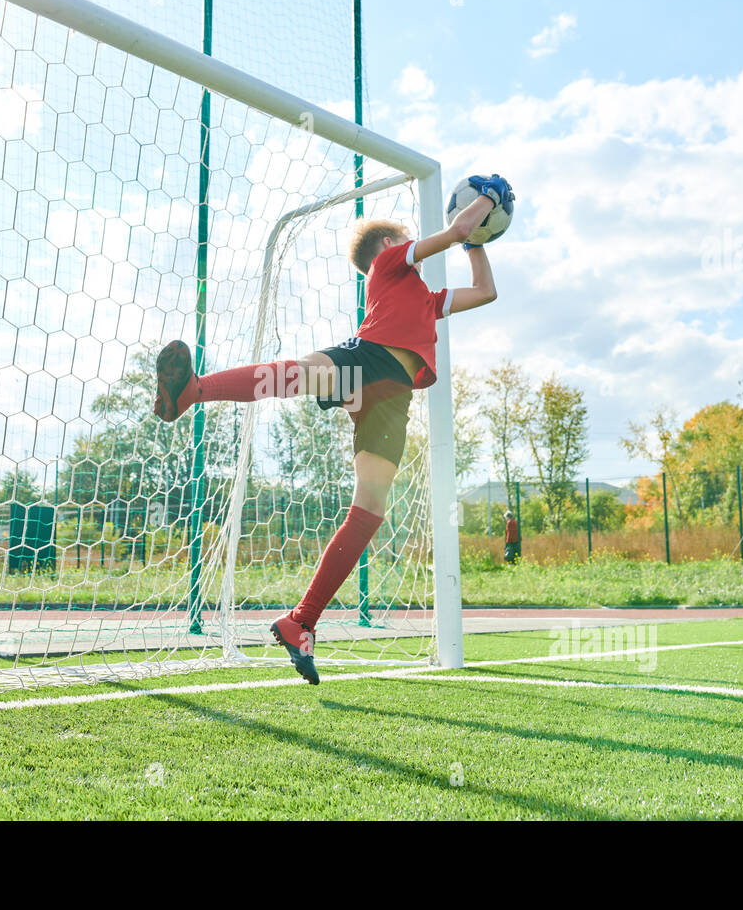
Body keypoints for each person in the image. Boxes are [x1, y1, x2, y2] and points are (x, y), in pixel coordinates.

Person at [152, 175, 513, 684]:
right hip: (367, 362)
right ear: (391, 246)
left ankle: (302, 622)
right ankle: (192, 391)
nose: (414, 245)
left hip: (391, 398)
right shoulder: (389, 264)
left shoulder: (427, 301)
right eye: (407, 238)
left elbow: (486, 291)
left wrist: (480, 238)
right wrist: (487, 201)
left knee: (368, 513)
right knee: (292, 376)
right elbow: (454, 230)